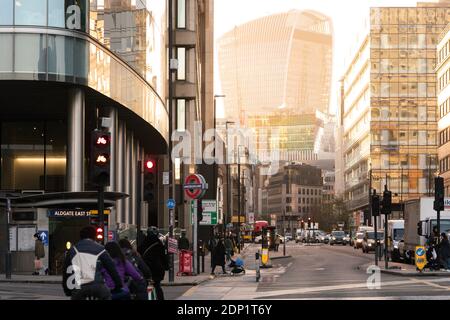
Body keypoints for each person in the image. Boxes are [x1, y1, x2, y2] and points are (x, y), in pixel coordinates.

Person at [62, 226, 123, 300]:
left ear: (80, 237)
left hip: (79, 287)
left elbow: (66, 271)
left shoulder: (73, 250)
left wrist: (67, 290)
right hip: (98, 286)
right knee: (106, 296)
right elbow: (112, 268)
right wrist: (118, 284)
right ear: (94, 236)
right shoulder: (101, 249)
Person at [139, 228, 169, 300]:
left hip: (146, 269)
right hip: (157, 270)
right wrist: (166, 266)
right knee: (157, 286)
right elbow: (164, 257)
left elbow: (139, 255)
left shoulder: (143, 243)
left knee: (144, 286)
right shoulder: (159, 244)